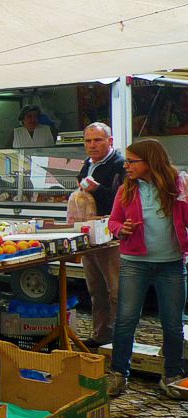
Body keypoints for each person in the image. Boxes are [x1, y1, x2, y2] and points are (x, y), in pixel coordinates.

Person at [106, 138, 188, 398]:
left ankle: (172, 374)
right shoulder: (126, 190)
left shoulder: (178, 185)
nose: (126, 165)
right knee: (126, 320)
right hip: (134, 263)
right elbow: (113, 221)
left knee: (173, 323)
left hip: (172, 265)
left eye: (132, 161)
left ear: (150, 162)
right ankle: (119, 373)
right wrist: (121, 229)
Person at [78, 123, 124, 349]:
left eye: (98, 140)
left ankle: (121, 339)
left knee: (116, 290)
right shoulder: (87, 164)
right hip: (89, 235)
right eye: (88, 141)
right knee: (95, 288)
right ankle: (101, 335)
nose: (92, 145)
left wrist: (98, 190)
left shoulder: (120, 165)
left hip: (111, 237)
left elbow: (123, 202)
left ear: (110, 141)